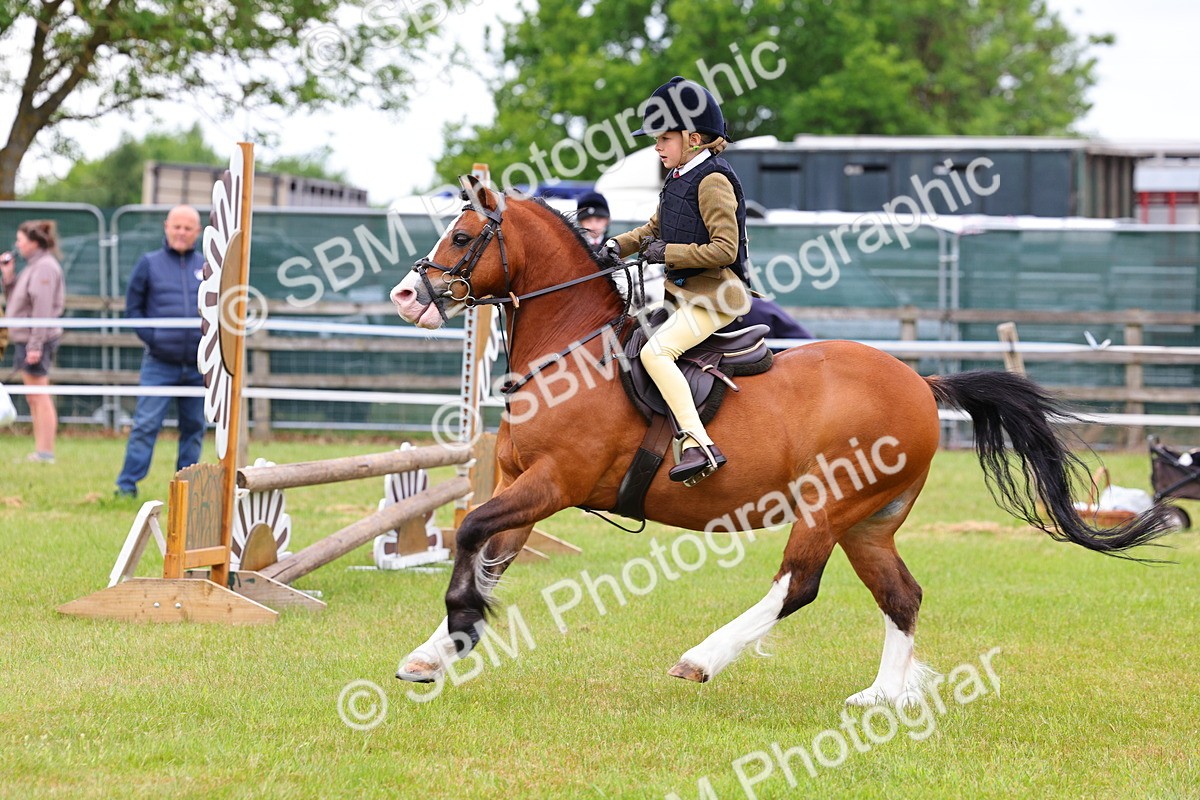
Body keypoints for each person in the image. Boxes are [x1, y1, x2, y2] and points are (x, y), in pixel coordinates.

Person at [606, 76, 751, 485]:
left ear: (693, 139)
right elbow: (653, 229)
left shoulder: (712, 180)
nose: (657, 146)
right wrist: (615, 246)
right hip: (683, 294)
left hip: (715, 297)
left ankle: (698, 444)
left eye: (664, 138)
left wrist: (667, 253)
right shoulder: (678, 177)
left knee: (655, 355)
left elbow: (725, 249)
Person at [115, 206, 207, 498]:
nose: (181, 232)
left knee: (194, 427)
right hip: (159, 363)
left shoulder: (208, 267)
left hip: (199, 364)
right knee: (145, 425)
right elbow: (133, 309)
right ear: (166, 227)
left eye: (187, 228)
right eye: (176, 226)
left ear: (198, 232)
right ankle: (127, 486)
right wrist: (153, 338)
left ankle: (187, 490)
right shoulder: (149, 263)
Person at [0, 220, 65, 463]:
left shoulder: (44, 268)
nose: (17, 245)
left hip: (35, 341)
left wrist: (35, 345)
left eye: (20, 240)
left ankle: (46, 452)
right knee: (33, 396)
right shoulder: (33, 266)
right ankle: (41, 451)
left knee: (39, 395)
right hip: (26, 339)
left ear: (34, 242)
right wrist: (8, 277)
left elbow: (42, 310)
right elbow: (19, 302)